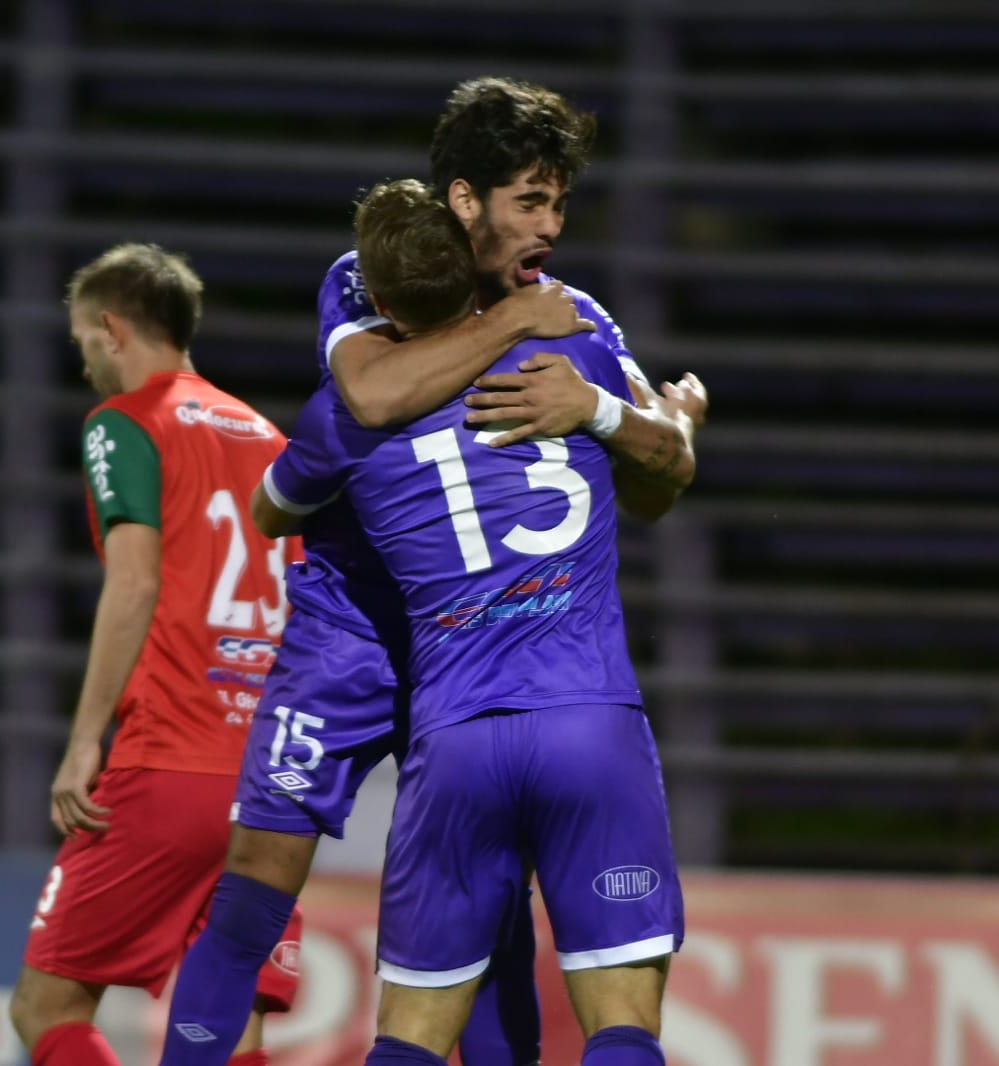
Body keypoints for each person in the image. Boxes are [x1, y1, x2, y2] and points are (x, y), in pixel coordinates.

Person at [163, 77, 707, 1066]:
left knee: (490, 926)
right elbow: (368, 394)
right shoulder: (370, 277)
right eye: (530, 202)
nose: (551, 225)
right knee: (254, 886)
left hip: (464, 654)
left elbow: (655, 469)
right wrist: (526, 334)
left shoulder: (576, 318)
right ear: (465, 201)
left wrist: (604, 409)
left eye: (560, 203)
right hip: (354, 633)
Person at [8, 243, 303, 1066]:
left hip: (169, 760)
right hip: (270, 778)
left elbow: (134, 584)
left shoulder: (127, 423)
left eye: (80, 344)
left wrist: (81, 743)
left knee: (46, 1003)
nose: (84, 365)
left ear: (110, 329)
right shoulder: (268, 436)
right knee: (227, 1018)